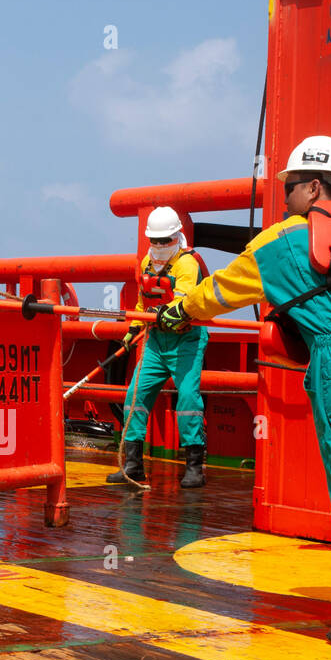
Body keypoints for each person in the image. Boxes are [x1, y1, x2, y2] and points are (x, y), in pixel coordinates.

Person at [159, 135, 331, 654]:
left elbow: (218, 292)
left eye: (289, 188)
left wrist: (177, 312)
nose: (285, 198)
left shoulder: (280, 243)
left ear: (311, 186)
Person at [106, 206, 209, 489]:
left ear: (177, 237)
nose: (160, 246)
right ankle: (133, 466)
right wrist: (132, 330)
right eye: (155, 241)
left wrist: (167, 315)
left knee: (188, 399)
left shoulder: (187, 264)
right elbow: (143, 304)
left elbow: (184, 301)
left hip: (187, 339)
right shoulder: (145, 265)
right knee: (134, 397)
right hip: (156, 341)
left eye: (166, 240)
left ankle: (194, 466)